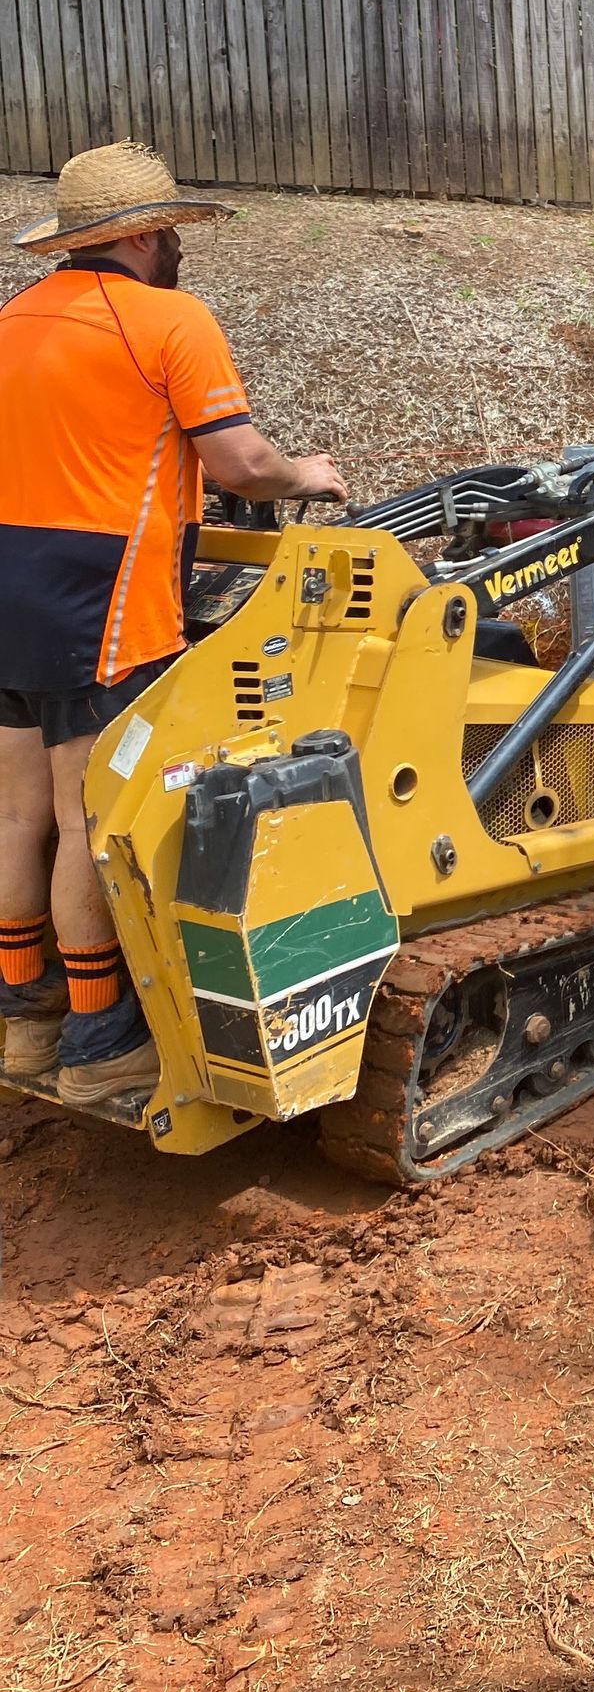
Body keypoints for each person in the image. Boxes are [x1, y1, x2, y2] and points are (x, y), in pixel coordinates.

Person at [0, 142, 347, 1107]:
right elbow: (239, 462)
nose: (180, 253)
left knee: (19, 813)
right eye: (174, 238)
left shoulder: (12, 318)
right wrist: (304, 476)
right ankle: (100, 1037)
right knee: (87, 820)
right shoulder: (168, 319)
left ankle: (21, 1019)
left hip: (7, 585)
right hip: (99, 597)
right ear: (150, 236)